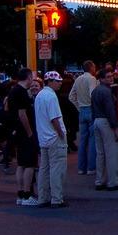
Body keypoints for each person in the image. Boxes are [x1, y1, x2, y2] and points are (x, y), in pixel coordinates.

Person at [35, 71, 68, 208]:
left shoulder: (40, 95)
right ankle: (56, 198)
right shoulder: (51, 96)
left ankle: (43, 197)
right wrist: (61, 134)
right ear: (50, 82)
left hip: (43, 137)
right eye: (58, 81)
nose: (60, 83)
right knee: (57, 169)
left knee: (44, 169)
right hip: (54, 137)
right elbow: (54, 118)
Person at [7, 69, 39, 206]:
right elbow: (22, 114)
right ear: (28, 77)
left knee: (20, 164)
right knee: (30, 164)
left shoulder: (13, 91)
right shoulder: (21, 92)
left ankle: (20, 194)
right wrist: (30, 132)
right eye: (31, 77)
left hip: (16, 131)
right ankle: (27, 195)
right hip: (25, 132)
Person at [91, 69, 118, 191]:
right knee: (112, 153)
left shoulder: (95, 91)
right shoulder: (107, 92)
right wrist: (115, 128)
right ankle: (113, 182)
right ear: (101, 79)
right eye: (107, 77)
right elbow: (110, 111)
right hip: (106, 122)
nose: (110, 78)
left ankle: (100, 180)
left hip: (96, 120)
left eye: (111, 76)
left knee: (100, 154)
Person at [69, 61, 98, 175]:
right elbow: (92, 94)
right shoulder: (91, 79)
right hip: (90, 109)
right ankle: (91, 167)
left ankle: (81, 167)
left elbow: (71, 96)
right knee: (92, 139)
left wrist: (79, 107)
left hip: (82, 110)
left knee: (82, 140)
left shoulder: (78, 79)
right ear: (91, 68)